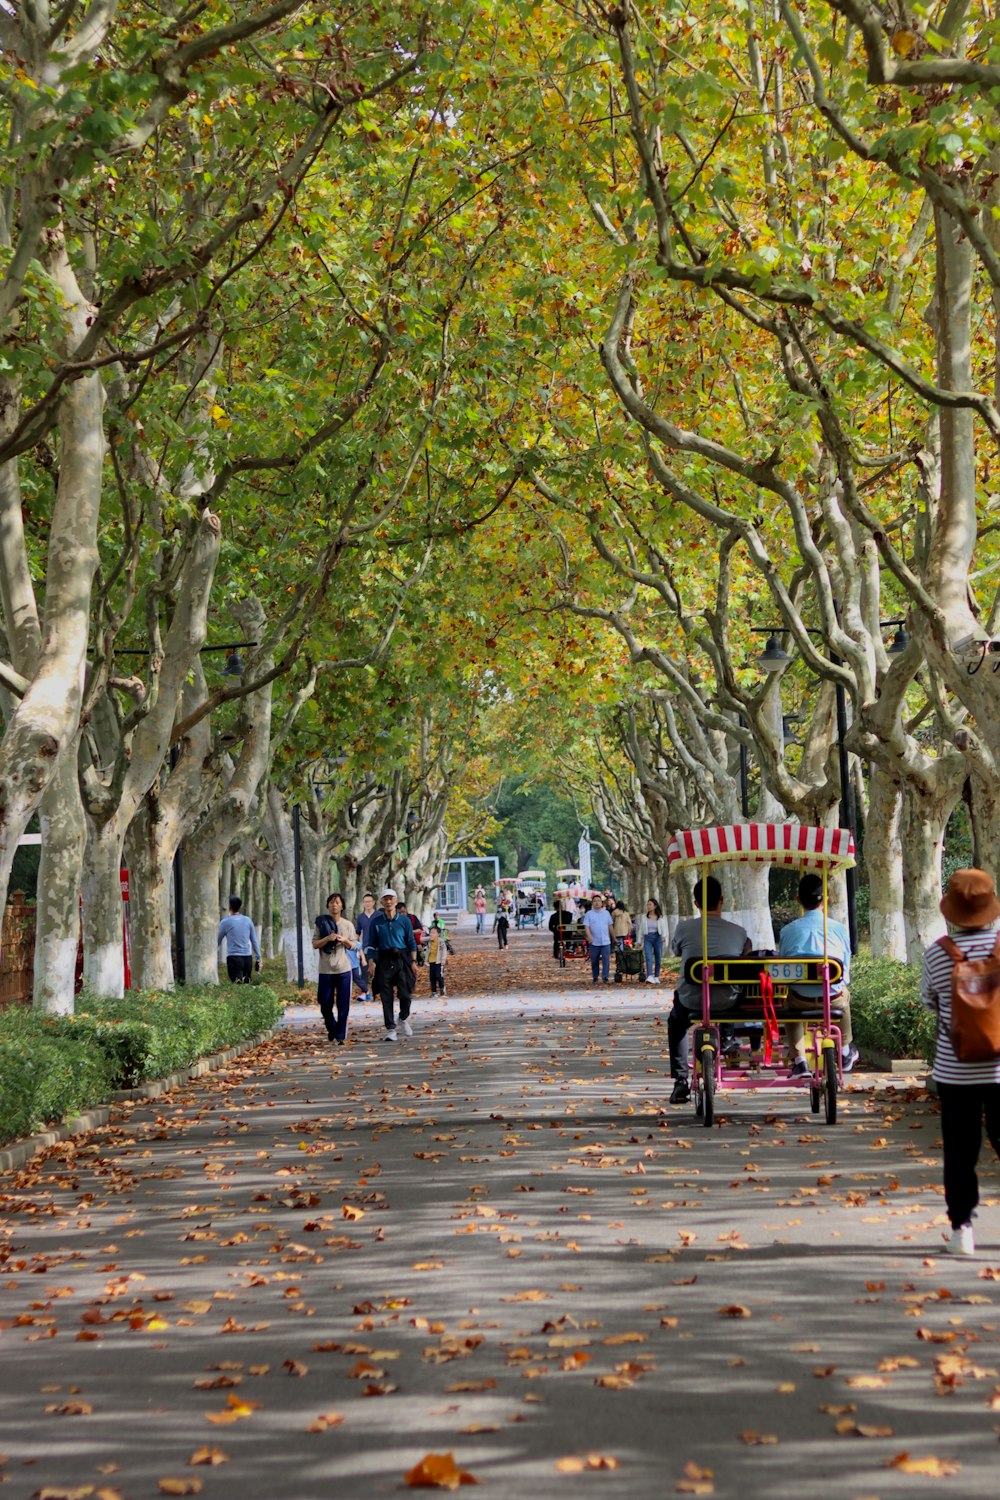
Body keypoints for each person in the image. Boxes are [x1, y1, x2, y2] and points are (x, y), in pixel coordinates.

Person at [921, 867, 1000, 1255]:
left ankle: (962, 1231)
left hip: (956, 1070)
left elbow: (931, 1003)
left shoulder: (938, 954)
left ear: (952, 912)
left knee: (960, 1150)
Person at [668, 877, 751, 1103]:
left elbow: (676, 951)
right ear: (722, 900)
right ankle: (727, 1036)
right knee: (731, 990)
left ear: (696, 903)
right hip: (727, 1001)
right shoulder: (739, 932)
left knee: (676, 1023)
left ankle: (680, 1080)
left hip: (691, 1000)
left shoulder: (684, 928)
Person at [778, 871, 858, 1077]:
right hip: (832, 1000)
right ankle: (847, 1049)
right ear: (825, 899)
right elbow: (845, 971)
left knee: (788, 1004)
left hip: (800, 1000)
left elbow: (784, 969)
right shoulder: (839, 929)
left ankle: (799, 1060)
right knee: (844, 994)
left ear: (798, 900)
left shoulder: (787, 931)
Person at [365, 887, 418, 1041]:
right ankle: (390, 1028)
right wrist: (371, 962)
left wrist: (413, 962)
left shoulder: (404, 921)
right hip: (384, 959)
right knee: (386, 996)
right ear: (381, 902)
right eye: (385, 899)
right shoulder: (376, 922)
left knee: (406, 994)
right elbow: (371, 944)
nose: (388, 901)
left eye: (391, 898)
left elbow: (411, 942)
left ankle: (402, 1018)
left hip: (401, 958)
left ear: (395, 901)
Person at [312, 893, 358, 1045]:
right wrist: (327, 938)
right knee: (324, 1002)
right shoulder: (321, 923)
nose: (334, 905)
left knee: (343, 1004)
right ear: (327, 906)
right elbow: (315, 944)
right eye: (331, 902)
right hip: (325, 970)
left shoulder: (347, 925)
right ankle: (331, 1025)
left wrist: (344, 940)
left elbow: (354, 946)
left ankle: (340, 1035)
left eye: (337, 902)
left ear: (342, 906)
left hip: (344, 969)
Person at [217, 895, 261, 983]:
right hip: (247, 958)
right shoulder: (248, 920)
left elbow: (217, 941)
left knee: (237, 984)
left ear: (229, 907)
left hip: (234, 958)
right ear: (239, 907)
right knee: (246, 984)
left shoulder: (225, 922)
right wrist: (259, 958)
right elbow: (254, 941)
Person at [583, 894, 614, 985]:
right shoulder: (589, 914)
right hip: (594, 942)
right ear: (592, 903)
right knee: (594, 960)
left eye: (598, 901)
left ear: (602, 903)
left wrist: (614, 938)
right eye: (595, 901)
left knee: (606, 960)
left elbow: (610, 926)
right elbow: (586, 927)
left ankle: (605, 977)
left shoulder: (606, 913)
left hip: (605, 941)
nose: (597, 902)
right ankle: (595, 977)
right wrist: (590, 937)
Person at [637, 898, 667, 984]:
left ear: (655, 906)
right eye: (647, 904)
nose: (648, 906)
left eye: (650, 904)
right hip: (648, 938)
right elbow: (641, 930)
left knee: (658, 958)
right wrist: (639, 940)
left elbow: (664, 928)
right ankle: (649, 976)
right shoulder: (644, 917)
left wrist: (664, 936)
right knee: (648, 957)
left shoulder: (660, 917)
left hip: (658, 938)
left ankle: (656, 976)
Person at [353, 892, 377, 1001]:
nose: (367, 904)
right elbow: (357, 932)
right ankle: (365, 992)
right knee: (364, 971)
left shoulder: (379, 915)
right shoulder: (361, 917)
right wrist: (355, 946)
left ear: (373, 903)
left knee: (381, 970)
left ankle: (379, 990)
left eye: (369, 901)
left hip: (379, 947)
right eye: (365, 902)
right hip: (366, 948)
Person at [427, 915, 454, 996]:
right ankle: (434, 992)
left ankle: (442, 987)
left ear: (438, 934)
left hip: (439, 962)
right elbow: (421, 939)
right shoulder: (429, 941)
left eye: (433, 933)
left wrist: (443, 959)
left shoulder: (441, 941)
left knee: (438, 976)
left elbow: (444, 951)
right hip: (431, 961)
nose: (431, 934)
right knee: (432, 977)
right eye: (430, 932)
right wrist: (430, 938)